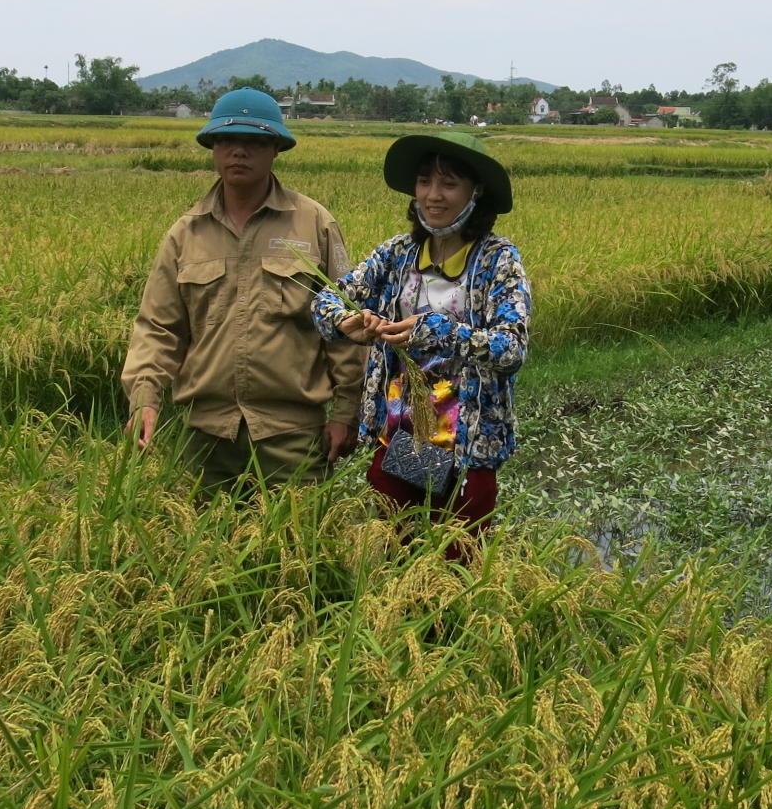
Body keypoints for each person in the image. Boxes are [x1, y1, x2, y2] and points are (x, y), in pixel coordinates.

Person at [122, 88, 365, 496]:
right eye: (228, 140)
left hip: (293, 435)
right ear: (214, 148)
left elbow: (345, 324)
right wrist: (145, 397)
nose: (239, 151)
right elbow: (158, 328)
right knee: (202, 552)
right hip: (206, 437)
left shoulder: (313, 224)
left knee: (297, 552)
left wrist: (346, 410)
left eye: (255, 141)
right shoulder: (186, 234)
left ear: (275, 149)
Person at [311, 131, 532, 559]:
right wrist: (347, 321)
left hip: (465, 449)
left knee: (456, 565)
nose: (433, 195)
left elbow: (512, 346)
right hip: (401, 440)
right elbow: (326, 299)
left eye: (449, 184)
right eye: (425, 181)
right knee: (397, 555)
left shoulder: (496, 260)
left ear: (475, 191)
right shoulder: (398, 254)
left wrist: (437, 330)